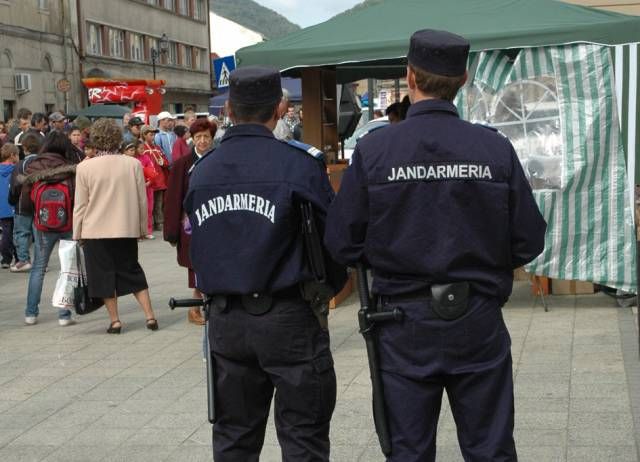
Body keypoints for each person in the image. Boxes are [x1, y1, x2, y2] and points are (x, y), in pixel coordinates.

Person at [324, 29, 547, 462]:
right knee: (491, 449)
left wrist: (388, 257)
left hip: (402, 321)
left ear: (409, 76)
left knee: (408, 450)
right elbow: (529, 238)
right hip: (477, 317)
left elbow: (341, 241)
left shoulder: (375, 150)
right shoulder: (493, 148)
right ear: (463, 78)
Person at [185, 66, 346, 461]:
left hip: (227, 320)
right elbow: (334, 244)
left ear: (229, 110)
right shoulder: (298, 164)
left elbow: (194, 245)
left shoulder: (203, 171)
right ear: (280, 107)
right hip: (289, 315)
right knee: (303, 439)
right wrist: (325, 290)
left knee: (235, 440)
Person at [73, 118, 158, 334]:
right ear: (118, 139)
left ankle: (115, 321)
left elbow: (81, 205)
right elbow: (141, 199)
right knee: (132, 271)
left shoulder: (84, 167)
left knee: (103, 275)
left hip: (95, 230)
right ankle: (150, 316)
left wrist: (77, 233)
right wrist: (141, 228)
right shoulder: (133, 164)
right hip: (125, 228)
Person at [21, 131, 80, 326]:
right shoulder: (71, 168)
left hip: (42, 224)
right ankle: (64, 315)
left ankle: (31, 313)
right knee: (67, 268)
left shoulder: (34, 167)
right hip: (68, 223)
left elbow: (26, 198)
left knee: (38, 267)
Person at [164, 118, 216, 326]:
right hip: (190, 225)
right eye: (198, 137)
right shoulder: (182, 165)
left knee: (209, 265)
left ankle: (200, 306)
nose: (202, 141)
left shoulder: (217, 160)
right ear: (192, 139)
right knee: (196, 266)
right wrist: (171, 232)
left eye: (206, 137)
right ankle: (195, 308)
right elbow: (173, 199)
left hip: (213, 222)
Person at [8, 133, 43, 272]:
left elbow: (15, 186)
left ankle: (23, 260)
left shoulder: (20, 165)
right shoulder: (42, 163)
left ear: (25, 148)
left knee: (22, 233)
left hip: (23, 204)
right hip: (40, 203)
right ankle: (41, 262)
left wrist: (12, 200)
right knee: (39, 234)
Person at [142, 125, 168, 232]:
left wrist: (163, 162)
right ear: (144, 135)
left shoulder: (157, 148)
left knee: (159, 203)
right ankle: (150, 223)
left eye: (154, 135)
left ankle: (159, 222)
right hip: (150, 181)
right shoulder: (142, 148)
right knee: (149, 204)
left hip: (160, 180)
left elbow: (166, 161)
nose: (153, 137)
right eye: (150, 134)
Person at [0, 144, 19, 268]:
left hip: (1, 206)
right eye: (17, 155)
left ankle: (6, 258)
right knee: (17, 232)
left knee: (6, 232)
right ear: (12, 155)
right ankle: (19, 257)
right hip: (14, 204)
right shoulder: (16, 169)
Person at [133, 140, 156, 239]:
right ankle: (138, 231)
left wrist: (150, 181)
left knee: (149, 209)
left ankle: (148, 230)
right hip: (136, 188)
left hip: (148, 187)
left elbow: (152, 170)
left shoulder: (146, 158)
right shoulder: (133, 160)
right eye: (140, 148)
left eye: (143, 148)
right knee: (137, 209)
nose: (142, 150)